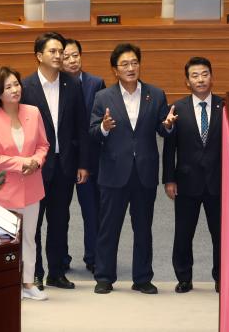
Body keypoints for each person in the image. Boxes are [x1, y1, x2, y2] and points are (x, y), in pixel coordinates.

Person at [90, 43, 177, 295]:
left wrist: (168, 125)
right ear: (115, 70)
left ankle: (142, 277)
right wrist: (104, 127)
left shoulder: (156, 94)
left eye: (134, 63)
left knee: (143, 228)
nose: (130, 68)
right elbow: (93, 133)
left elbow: (163, 127)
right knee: (109, 227)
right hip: (114, 172)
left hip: (144, 172)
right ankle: (104, 276)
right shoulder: (103, 97)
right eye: (124, 64)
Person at [20, 32, 89, 290]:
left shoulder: (72, 84)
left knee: (61, 221)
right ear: (39, 56)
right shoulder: (26, 88)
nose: (59, 56)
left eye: (61, 51)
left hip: (65, 165)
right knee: (34, 223)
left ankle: (56, 272)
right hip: (35, 168)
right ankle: (35, 272)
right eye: (53, 51)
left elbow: (81, 127)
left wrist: (83, 163)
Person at [0, 67, 50, 301]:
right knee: (4, 240)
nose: (14, 90)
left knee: (29, 236)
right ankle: (6, 283)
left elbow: (43, 145)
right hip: (3, 191)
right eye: (8, 86)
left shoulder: (33, 112)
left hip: (31, 187)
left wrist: (37, 162)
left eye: (16, 84)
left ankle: (28, 282)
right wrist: (23, 162)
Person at [162, 57, 222, 294]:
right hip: (186, 181)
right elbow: (169, 149)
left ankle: (221, 276)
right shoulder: (178, 109)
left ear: (212, 77)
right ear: (187, 81)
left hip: (218, 182)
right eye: (195, 76)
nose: (200, 79)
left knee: (220, 234)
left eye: (205, 74)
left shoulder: (225, 106)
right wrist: (169, 179)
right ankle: (184, 277)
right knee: (184, 232)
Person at [61, 38, 106, 273]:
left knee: (92, 211)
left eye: (75, 55)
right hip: (63, 159)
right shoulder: (55, 85)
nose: (71, 60)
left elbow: (95, 125)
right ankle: (61, 258)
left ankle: (93, 256)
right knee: (61, 212)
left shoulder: (96, 83)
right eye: (66, 56)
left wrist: (86, 162)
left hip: (90, 158)